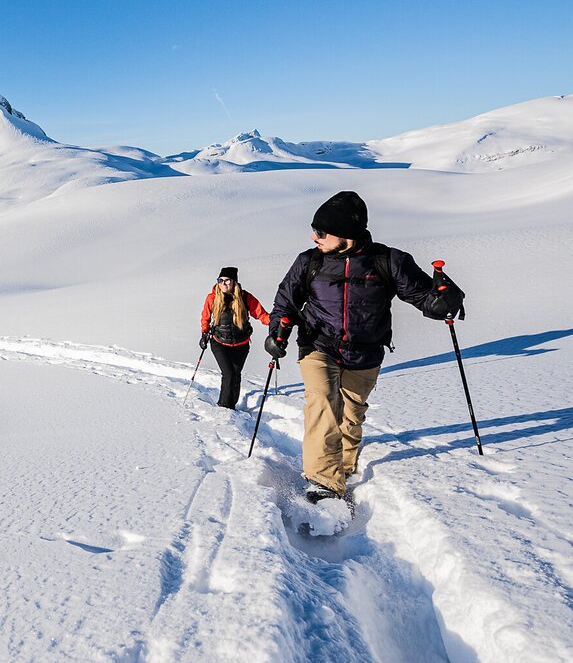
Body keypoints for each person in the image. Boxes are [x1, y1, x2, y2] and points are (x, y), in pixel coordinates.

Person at [266, 191, 465, 503]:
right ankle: (324, 483)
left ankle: (343, 466)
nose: (313, 237)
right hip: (318, 345)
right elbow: (286, 301)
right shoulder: (310, 261)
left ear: (344, 233)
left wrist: (443, 302)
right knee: (322, 402)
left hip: (366, 352)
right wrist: (278, 330)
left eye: (320, 231)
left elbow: (424, 297)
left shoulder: (388, 261)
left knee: (351, 414)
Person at [199, 267, 272, 409]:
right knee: (228, 373)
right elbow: (205, 317)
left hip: (241, 344)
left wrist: (276, 321)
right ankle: (224, 406)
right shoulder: (213, 298)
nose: (223, 284)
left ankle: (232, 405)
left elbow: (261, 314)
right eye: (220, 281)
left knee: (236, 374)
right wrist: (204, 333)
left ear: (234, 282)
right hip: (219, 341)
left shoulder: (245, 297)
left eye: (227, 280)